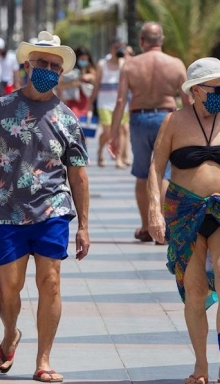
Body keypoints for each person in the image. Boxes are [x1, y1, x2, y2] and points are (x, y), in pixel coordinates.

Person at [0, 30, 90, 384]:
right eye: (41, 63)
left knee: (50, 282)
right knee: (9, 287)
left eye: (54, 65)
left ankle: (44, 360)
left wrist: (83, 225)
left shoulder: (67, 119)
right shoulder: (1, 109)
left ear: (61, 72)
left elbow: (78, 176)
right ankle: (10, 333)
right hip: (9, 212)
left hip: (53, 210)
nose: (48, 69)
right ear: (27, 65)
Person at [148, 57, 220, 384]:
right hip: (185, 213)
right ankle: (200, 364)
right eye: (216, 89)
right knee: (195, 292)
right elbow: (156, 168)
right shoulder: (173, 122)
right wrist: (154, 212)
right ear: (196, 91)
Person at [108, 22, 190, 243]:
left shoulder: (130, 66)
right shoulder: (176, 64)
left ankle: (147, 226)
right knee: (164, 173)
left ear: (142, 41)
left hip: (139, 119)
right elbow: (188, 101)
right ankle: (163, 227)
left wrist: (114, 134)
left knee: (143, 172)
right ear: (161, 40)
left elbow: (119, 100)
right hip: (167, 118)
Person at [94, 40, 131, 168]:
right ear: (111, 48)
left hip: (121, 103)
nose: (118, 50)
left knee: (121, 130)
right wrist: (90, 102)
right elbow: (97, 84)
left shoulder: (125, 64)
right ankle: (100, 151)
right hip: (104, 103)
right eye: (116, 47)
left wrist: (126, 59)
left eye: (121, 48)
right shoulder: (102, 64)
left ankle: (118, 158)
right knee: (108, 132)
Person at [57, 47, 96, 121]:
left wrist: (91, 77)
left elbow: (97, 81)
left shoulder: (90, 69)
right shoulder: (70, 71)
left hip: (87, 103)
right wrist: (73, 83)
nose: (84, 61)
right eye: (82, 59)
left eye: (86, 59)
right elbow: (59, 84)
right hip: (73, 102)